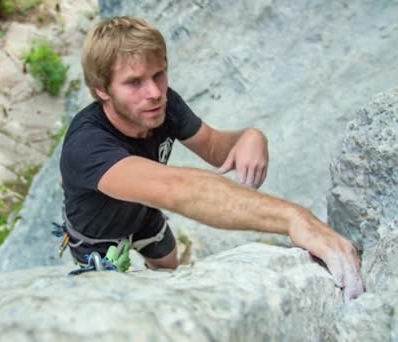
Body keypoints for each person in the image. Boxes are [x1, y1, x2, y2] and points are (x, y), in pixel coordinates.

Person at [59, 16, 363, 301]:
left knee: (167, 268)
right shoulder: (86, 145)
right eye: (134, 82)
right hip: (97, 237)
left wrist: (250, 136)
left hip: (143, 212)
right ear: (102, 91)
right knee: (117, 303)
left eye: (159, 74)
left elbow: (216, 146)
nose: (153, 92)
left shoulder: (162, 106)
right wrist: (293, 218)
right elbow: (178, 187)